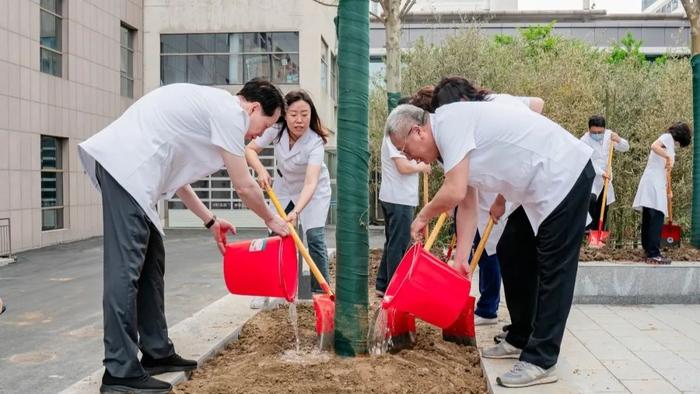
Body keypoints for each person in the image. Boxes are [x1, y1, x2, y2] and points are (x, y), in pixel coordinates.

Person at [78, 79, 289, 394]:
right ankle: (119, 372)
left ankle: (156, 351)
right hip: (127, 169)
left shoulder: (214, 111)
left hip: (138, 175)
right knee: (125, 274)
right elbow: (244, 186)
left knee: (152, 260)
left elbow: (179, 181)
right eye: (265, 125)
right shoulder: (231, 114)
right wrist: (273, 219)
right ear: (254, 107)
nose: (260, 135)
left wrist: (210, 220)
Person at [384, 97, 593, 388]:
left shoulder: (449, 123)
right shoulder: (450, 144)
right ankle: (521, 336)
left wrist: (422, 216)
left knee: (554, 271)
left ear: (418, 131)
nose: (413, 159)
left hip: (564, 174)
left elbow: (454, 191)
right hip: (536, 188)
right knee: (511, 249)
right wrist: (460, 259)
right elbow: (467, 202)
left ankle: (541, 360)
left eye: (407, 151)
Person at [431, 76, 544, 327]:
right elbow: (465, 195)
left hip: (528, 186)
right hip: (496, 191)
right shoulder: (463, 131)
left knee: (513, 256)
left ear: (461, 102)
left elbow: (537, 104)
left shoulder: (498, 104)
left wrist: (502, 199)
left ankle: (521, 326)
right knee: (500, 253)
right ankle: (521, 327)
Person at [246, 90, 332, 299]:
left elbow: (311, 183)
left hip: (314, 191)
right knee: (276, 234)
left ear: (311, 115)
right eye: (294, 114)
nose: (299, 120)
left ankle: (320, 293)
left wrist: (297, 211)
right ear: (285, 114)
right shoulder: (276, 129)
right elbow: (249, 150)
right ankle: (272, 288)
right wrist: (260, 170)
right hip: (284, 186)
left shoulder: (315, 142)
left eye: (305, 114)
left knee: (314, 238)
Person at [375, 89, 432, 297]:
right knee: (398, 245)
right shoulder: (394, 134)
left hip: (398, 196)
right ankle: (394, 288)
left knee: (393, 242)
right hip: (397, 198)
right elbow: (403, 167)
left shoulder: (399, 132)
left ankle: (383, 285)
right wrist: (422, 167)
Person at [632, 122, 692, 264]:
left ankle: (648, 250)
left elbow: (666, 171)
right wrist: (668, 156)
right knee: (655, 218)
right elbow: (654, 146)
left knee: (650, 217)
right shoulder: (667, 138)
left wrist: (669, 190)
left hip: (657, 183)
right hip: (653, 182)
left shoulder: (670, 144)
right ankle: (653, 253)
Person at [580, 115, 629, 232]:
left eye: (600, 132)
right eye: (594, 132)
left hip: (606, 177)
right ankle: (587, 232)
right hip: (591, 176)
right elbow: (587, 161)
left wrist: (619, 140)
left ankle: (598, 233)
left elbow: (625, 148)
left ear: (604, 129)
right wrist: (601, 172)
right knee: (590, 201)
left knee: (603, 204)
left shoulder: (609, 135)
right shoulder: (584, 140)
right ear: (589, 129)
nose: (597, 134)